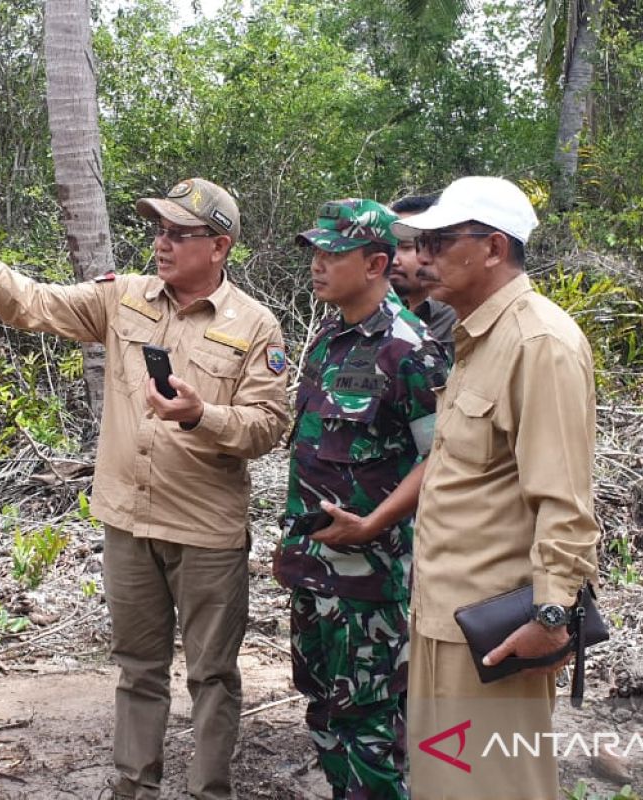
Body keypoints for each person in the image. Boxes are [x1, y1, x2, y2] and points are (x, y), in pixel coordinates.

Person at [0, 179, 289, 800]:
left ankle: (209, 789)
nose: (160, 243)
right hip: (128, 523)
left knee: (213, 674)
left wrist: (200, 415)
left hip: (206, 532)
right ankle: (134, 785)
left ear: (219, 247)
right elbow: (30, 303)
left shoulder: (256, 326)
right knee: (138, 670)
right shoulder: (124, 298)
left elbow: (268, 426)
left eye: (177, 233)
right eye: (157, 229)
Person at [392, 177, 600, 800]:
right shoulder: (476, 339)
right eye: (421, 240)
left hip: (498, 631)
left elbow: (563, 497)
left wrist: (554, 614)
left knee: (498, 788)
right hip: (443, 617)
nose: (423, 254)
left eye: (439, 240)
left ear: (491, 248)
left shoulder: (539, 344)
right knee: (444, 782)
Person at [275, 199, 447, 800]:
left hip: (371, 584)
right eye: (315, 253)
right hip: (314, 569)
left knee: (370, 726)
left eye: (333, 254)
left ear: (376, 263)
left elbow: (439, 458)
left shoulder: (411, 348)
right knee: (324, 712)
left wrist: (373, 521)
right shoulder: (328, 338)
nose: (317, 266)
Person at [388, 194, 458, 359]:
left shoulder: (459, 319)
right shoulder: (389, 315)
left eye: (406, 247)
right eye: (390, 248)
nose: (393, 260)